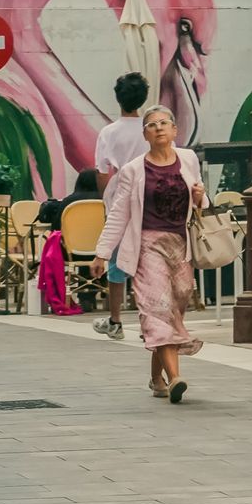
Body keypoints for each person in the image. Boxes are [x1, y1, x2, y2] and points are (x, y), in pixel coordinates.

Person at [92, 105, 208, 404]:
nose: (158, 128)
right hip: (147, 245)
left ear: (174, 130)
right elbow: (119, 213)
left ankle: (156, 377)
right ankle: (175, 378)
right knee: (158, 308)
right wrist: (102, 254)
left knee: (175, 307)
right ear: (145, 134)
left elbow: (201, 201)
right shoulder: (133, 170)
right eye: (152, 124)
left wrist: (200, 197)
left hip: (180, 245)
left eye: (164, 122)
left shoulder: (188, 158)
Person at [92, 73, 151, 341]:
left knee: (117, 261)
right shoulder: (151, 128)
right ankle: (148, 320)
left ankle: (115, 320)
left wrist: (107, 198)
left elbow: (104, 171)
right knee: (147, 262)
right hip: (150, 199)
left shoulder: (109, 132)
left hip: (120, 201)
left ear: (118, 98)